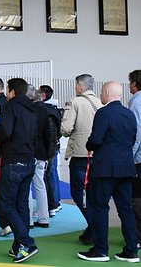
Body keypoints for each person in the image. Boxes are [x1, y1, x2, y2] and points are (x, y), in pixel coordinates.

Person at [78, 81, 138, 262]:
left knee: (100, 208)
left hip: (105, 169)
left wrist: (89, 145)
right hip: (126, 168)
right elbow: (133, 139)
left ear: (105, 93)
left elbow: (96, 140)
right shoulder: (129, 114)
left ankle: (101, 250)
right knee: (126, 210)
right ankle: (131, 250)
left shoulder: (103, 113)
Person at [0, 78, 39, 263]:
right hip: (29, 161)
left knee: (5, 204)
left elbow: (6, 130)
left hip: (13, 161)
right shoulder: (33, 109)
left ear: (11, 92)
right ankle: (19, 244)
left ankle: (27, 243)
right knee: (21, 205)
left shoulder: (10, 107)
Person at [61, 73, 102, 245]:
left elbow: (65, 128)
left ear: (81, 85)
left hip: (80, 153)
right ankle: (94, 228)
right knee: (93, 194)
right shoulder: (100, 103)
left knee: (78, 193)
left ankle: (94, 228)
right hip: (98, 154)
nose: (75, 88)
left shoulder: (75, 102)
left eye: (76, 84)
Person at [32, 88, 60, 229]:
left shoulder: (31, 111)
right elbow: (53, 134)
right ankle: (44, 217)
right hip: (44, 153)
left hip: (31, 152)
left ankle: (28, 219)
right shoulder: (50, 111)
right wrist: (50, 154)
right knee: (40, 184)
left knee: (27, 187)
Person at [39, 84, 62, 216]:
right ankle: (55, 202)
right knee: (53, 174)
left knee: (48, 176)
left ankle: (52, 204)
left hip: (49, 149)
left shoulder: (46, 111)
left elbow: (51, 133)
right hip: (54, 147)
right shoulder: (54, 109)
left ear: (43, 95)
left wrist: (49, 152)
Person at [128, 70, 141, 246]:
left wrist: (129, 155)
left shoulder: (136, 102)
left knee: (137, 198)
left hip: (139, 158)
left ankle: (138, 237)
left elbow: (137, 131)